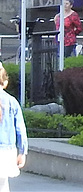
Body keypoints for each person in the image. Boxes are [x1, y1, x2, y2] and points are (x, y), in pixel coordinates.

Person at [0, 62, 27, 192]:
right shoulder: (12, 102)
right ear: (4, 83)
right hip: (6, 150)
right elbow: (20, 129)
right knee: (3, 185)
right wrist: (22, 151)